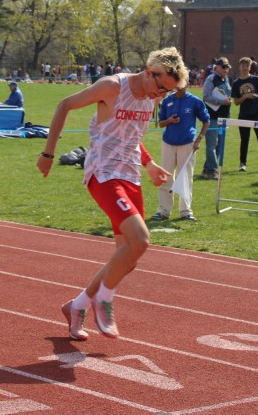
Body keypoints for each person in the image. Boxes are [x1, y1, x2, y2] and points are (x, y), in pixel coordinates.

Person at [37, 46, 184, 341]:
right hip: (103, 173)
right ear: (150, 72)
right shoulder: (113, 87)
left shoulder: (152, 98)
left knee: (127, 258)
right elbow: (64, 105)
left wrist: (149, 164)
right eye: (160, 89)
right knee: (140, 240)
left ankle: (77, 305)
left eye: (167, 93)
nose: (160, 96)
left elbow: (132, 136)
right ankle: (104, 300)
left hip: (130, 175)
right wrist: (48, 153)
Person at [152, 83, 209, 222]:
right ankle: (163, 210)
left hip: (187, 143)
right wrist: (170, 121)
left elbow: (206, 121)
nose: (180, 86)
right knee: (166, 177)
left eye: (184, 83)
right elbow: (161, 123)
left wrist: (198, 140)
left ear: (187, 84)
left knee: (185, 178)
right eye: (178, 83)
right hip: (168, 143)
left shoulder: (195, 101)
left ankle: (186, 211)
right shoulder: (167, 100)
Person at [232, 56, 258, 172]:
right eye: (243, 65)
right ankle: (242, 163)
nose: (244, 68)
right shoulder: (236, 83)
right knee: (244, 140)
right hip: (244, 114)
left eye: (247, 65)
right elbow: (236, 102)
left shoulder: (256, 80)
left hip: (257, 113)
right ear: (239, 67)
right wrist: (245, 96)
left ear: (250, 67)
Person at [201, 58, 232, 179]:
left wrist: (228, 100)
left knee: (220, 144)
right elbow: (206, 97)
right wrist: (222, 102)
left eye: (227, 67)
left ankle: (207, 169)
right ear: (217, 67)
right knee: (212, 144)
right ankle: (212, 170)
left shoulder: (226, 79)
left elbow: (227, 95)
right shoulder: (211, 79)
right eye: (223, 67)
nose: (226, 69)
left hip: (223, 117)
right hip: (213, 117)